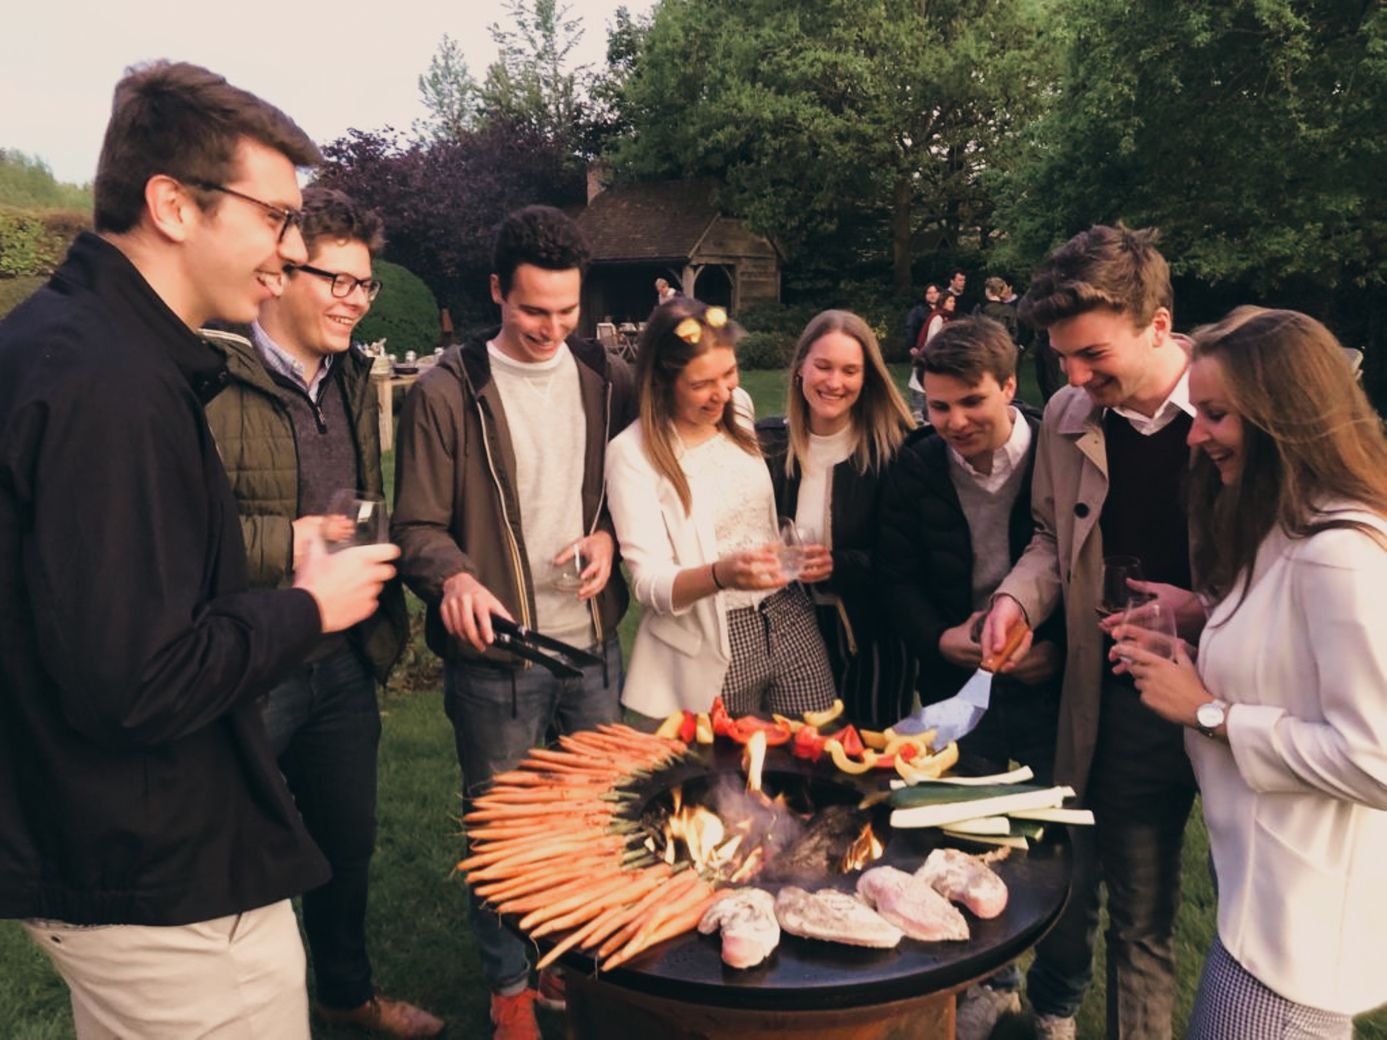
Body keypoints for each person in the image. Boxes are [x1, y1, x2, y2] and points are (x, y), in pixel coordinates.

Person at [0, 61, 398, 1039]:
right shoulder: (106, 382)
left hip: (127, 846)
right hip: (154, 872)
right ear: (173, 204)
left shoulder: (89, 348)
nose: (286, 253)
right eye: (273, 219)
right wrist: (307, 605)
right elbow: (135, 679)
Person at [390, 204, 633, 1040]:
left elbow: (638, 487)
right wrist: (451, 576)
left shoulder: (606, 377)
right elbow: (414, 526)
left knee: (593, 820)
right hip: (498, 657)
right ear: (498, 291)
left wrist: (612, 537)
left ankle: (568, 962)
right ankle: (508, 989)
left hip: (593, 645)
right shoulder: (447, 391)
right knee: (502, 832)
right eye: (533, 311)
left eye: (566, 312)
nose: (551, 329)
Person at [201, 188, 440, 1037]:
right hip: (251, 663)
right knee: (230, 859)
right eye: (333, 279)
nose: (351, 298)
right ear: (277, 274)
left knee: (345, 851)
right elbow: (170, 527)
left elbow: (360, 504)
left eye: (363, 284)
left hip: (342, 659)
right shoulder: (207, 375)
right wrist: (286, 539)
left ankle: (344, 999)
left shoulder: (350, 375)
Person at [1115, 307, 1387, 1039]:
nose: (1194, 436)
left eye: (1214, 415)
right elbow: (1291, 655)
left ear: (1284, 417)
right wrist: (1199, 621)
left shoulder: (1341, 552)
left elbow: (1377, 760)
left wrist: (1210, 713)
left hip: (1296, 931)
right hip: (1258, 907)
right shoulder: (1284, 525)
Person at [980, 224, 1198, 1040]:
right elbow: (1047, 540)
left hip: (1235, 701)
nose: (1071, 377)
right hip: (1112, 696)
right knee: (1105, 896)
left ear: (1156, 324)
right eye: (1060, 358)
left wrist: (1201, 609)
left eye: (1090, 355)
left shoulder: (1239, 407)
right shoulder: (1072, 415)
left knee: (1225, 921)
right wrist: (1015, 603)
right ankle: (1057, 1015)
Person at [878, 317, 1066, 1037]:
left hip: (1051, 679)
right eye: (936, 403)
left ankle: (1057, 997)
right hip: (959, 689)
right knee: (962, 841)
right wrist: (938, 636)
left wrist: (1055, 650)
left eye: (970, 403)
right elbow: (895, 577)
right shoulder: (917, 464)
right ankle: (988, 979)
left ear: (1010, 388)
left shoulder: (1060, 451)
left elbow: (1086, 567)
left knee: (1052, 840)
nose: (951, 421)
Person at [605, 297, 836, 720]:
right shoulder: (632, 455)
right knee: (728, 783)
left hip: (789, 619)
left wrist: (798, 561)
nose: (722, 394)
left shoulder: (740, 409)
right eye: (701, 385)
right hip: (712, 644)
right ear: (661, 381)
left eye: (729, 373)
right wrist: (720, 574)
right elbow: (649, 583)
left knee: (816, 765)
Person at [756, 310, 917, 727]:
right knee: (791, 769)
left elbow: (909, 560)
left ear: (867, 380)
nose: (834, 382)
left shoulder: (895, 452)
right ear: (800, 369)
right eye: (823, 366)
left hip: (873, 641)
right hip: (786, 634)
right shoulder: (766, 445)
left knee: (869, 769)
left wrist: (839, 565)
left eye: (850, 371)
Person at [904, 282, 943, 420]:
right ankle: (917, 409)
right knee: (918, 377)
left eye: (935, 292)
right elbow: (910, 328)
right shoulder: (918, 311)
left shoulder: (943, 312)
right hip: (920, 349)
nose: (932, 295)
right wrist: (912, 346)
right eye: (929, 293)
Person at [975, 276, 1020, 341]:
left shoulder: (979, 308)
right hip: (1001, 346)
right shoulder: (1009, 310)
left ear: (988, 290)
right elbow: (1014, 333)